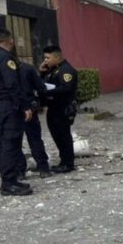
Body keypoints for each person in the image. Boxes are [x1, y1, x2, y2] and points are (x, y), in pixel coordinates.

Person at [0, 28, 34, 196]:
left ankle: (9, 180)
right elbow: (12, 85)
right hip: (8, 106)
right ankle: (9, 182)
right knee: (10, 144)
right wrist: (25, 106)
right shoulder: (5, 58)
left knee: (3, 142)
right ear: (9, 42)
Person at [40, 45, 78, 173]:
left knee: (63, 136)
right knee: (56, 135)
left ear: (56, 57)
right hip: (54, 108)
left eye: (47, 58)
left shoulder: (66, 70)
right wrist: (42, 72)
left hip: (63, 108)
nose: (45, 60)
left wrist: (47, 92)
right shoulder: (54, 70)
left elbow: (66, 88)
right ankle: (63, 161)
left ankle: (68, 163)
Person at [18, 61, 51, 178]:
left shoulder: (0, 68)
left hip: (12, 108)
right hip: (29, 107)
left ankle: (20, 171)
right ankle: (43, 167)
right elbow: (40, 87)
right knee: (35, 139)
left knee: (15, 142)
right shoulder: (27, 68)